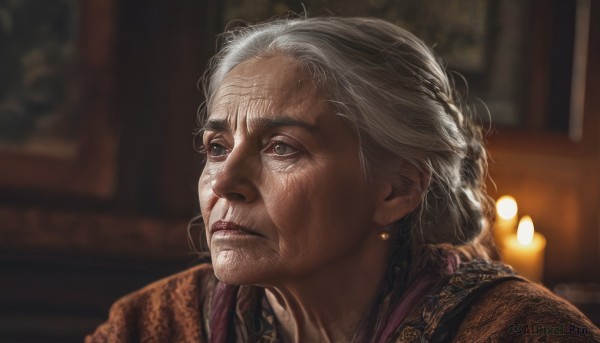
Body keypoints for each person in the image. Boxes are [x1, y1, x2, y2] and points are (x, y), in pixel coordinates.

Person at [86, 17, 600, 342]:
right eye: (217, 148)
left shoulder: (522, 332)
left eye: (282, 147)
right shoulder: (152, 324)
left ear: (396, 189)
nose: (224, 184)